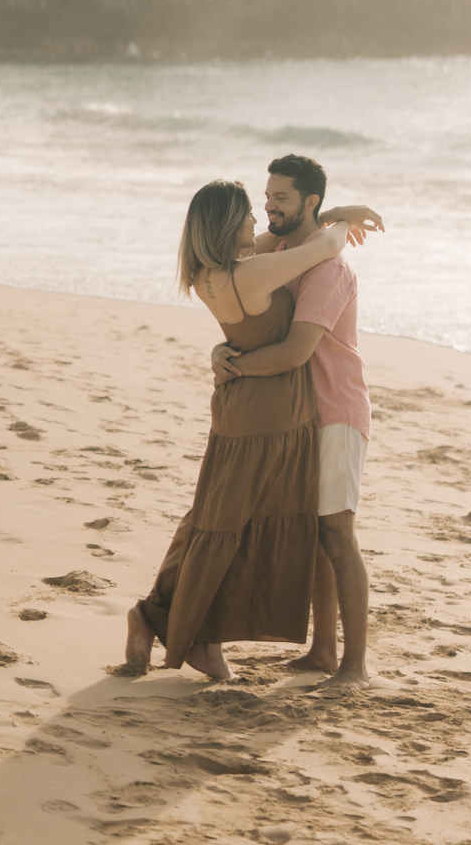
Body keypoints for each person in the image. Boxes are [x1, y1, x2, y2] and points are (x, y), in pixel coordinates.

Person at [122, 179, 364, 681]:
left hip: (239, 408)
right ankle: (180, 628)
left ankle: (164, 619)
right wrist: (343, 216)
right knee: (231, 526)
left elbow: (286, 241)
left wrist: (224, 359)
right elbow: (324, 246)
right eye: (251, 211)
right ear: (230, 224)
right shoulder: (252, 273)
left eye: (271, 202)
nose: (259, 217)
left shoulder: (207, 273)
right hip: (266, 412)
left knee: (214, 519)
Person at [213, 154, 378, 690]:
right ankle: (323, 652)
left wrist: (232, 370)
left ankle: (355, 667)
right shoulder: (282, 251)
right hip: (300, 412)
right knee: (315, 533)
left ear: (308, 201)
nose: (268, 207)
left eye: (280, 198)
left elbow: (294, 351)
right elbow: (235, 281)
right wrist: (221, 350)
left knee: (337, 532)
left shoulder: (329, 269)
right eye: (267, 197)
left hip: (336, 410)